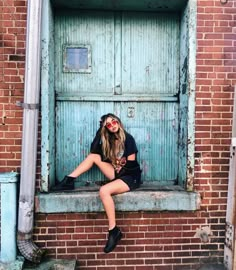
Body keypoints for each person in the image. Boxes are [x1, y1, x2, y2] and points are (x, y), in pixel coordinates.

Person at [51, 113, 142, 253]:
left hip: (130, 177)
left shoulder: (128, 139)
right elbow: (93, 150)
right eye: (109, 125)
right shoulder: (109, 140)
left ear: (118, 121)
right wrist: (101, 131)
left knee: (104, 191)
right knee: (94, 157)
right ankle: (69, 180)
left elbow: (131, 164)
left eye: (114, 121)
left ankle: (114, 231)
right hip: (118, 174)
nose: (113, 125)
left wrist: (118, 167)